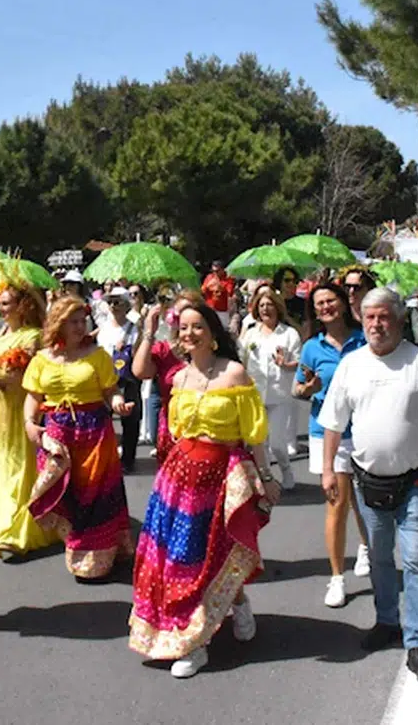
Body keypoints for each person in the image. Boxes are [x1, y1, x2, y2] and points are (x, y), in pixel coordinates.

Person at [128, 298, 279, 679]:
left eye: (198, 326)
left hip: (221, 477)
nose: (189, 333)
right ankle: (193, 642)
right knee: (180, 560)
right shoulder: (178, 378)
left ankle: (234, 605)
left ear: (213, 334)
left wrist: (266, 476)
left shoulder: (234, 374)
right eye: (183, 327)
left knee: (215, 554)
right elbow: (174, 425)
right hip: (179, 479)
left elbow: (254, 434)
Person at [318, 287, 418, 687]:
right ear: (362, 321)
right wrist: (327, 469)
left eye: (384, 317)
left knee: (415, 559)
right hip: (369, 482)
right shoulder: (351, 365)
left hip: (416, 480)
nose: (377, 324)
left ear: (398, 320)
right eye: (370, 317)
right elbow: (333, 421)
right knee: (380, 557)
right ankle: (386, 622)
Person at [23, 295, 133, 580]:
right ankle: (75, 545)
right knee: (65, 492)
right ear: (58, 324)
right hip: (57, 432)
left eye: (82, 320)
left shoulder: (97, 355)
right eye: (72, 321)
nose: (79, 326)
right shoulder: (41, 359)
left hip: (94, 429)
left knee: (96, 493)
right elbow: (33, 397)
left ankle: (99, 555)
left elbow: (110, 391)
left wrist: (118, 403)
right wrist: (30, 424)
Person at [293, 277, 375, 609]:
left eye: (331, 300)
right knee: (337, 503)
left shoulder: (364, 338)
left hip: (367, 429)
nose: (326, 307)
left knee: (365, 501)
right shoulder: (312, 347)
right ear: (314, 312)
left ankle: (367, 548)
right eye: (320, 304)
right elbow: (298, 388)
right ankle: (337, 577)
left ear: (342, 302)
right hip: (328, 433)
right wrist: (308, 389)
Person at [0, 276, 59, 560]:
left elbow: (30, 378)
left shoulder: (32, 337)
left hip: (19, 408)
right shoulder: (1, 334)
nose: (1, 309)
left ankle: (13, 533)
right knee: (5, 467)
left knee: (21, 467)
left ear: (23, 306)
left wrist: (1, 378)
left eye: (7, 304)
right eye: (0, 304)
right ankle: (25, 524)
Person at [239, 288, 301, 490]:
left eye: (269, 305)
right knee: (259, 442)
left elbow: (299, 362)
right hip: (255, 394)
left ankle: (286, 470)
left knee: (277, 444)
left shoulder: (289, 334)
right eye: (262, 305)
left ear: (277, 307)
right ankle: (267, 478)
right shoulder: (251, 334)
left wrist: (286, 364)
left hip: (279, 395)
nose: (265, 309)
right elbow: (240, 359)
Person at [131, 291, 195, 463]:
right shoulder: (164, 349)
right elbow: (140, 371)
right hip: (171, 428)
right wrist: (149, 331)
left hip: (203, 427)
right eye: (179, 314)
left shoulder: (211, 348)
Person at [96, 287, 142, 473]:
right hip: (105, 378)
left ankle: (128, 460)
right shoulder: (103, 328)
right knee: (103, 420)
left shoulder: (134, 328)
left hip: (128, 378)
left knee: (130, 420)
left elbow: (139, 353)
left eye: (117, 302)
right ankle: (106, 457)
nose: (113, 306)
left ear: (126, 305)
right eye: (110, 302)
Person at [201, 261, 236, 328]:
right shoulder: (209, 277)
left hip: (222, 310)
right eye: (213, 271)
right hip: (210, 308)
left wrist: (220, 286)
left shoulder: (228, 278)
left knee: (223, 328)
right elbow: (202, 291)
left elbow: (230, 292)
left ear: (222, 270)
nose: (215, 273)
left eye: (217, 271)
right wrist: (208, 285)